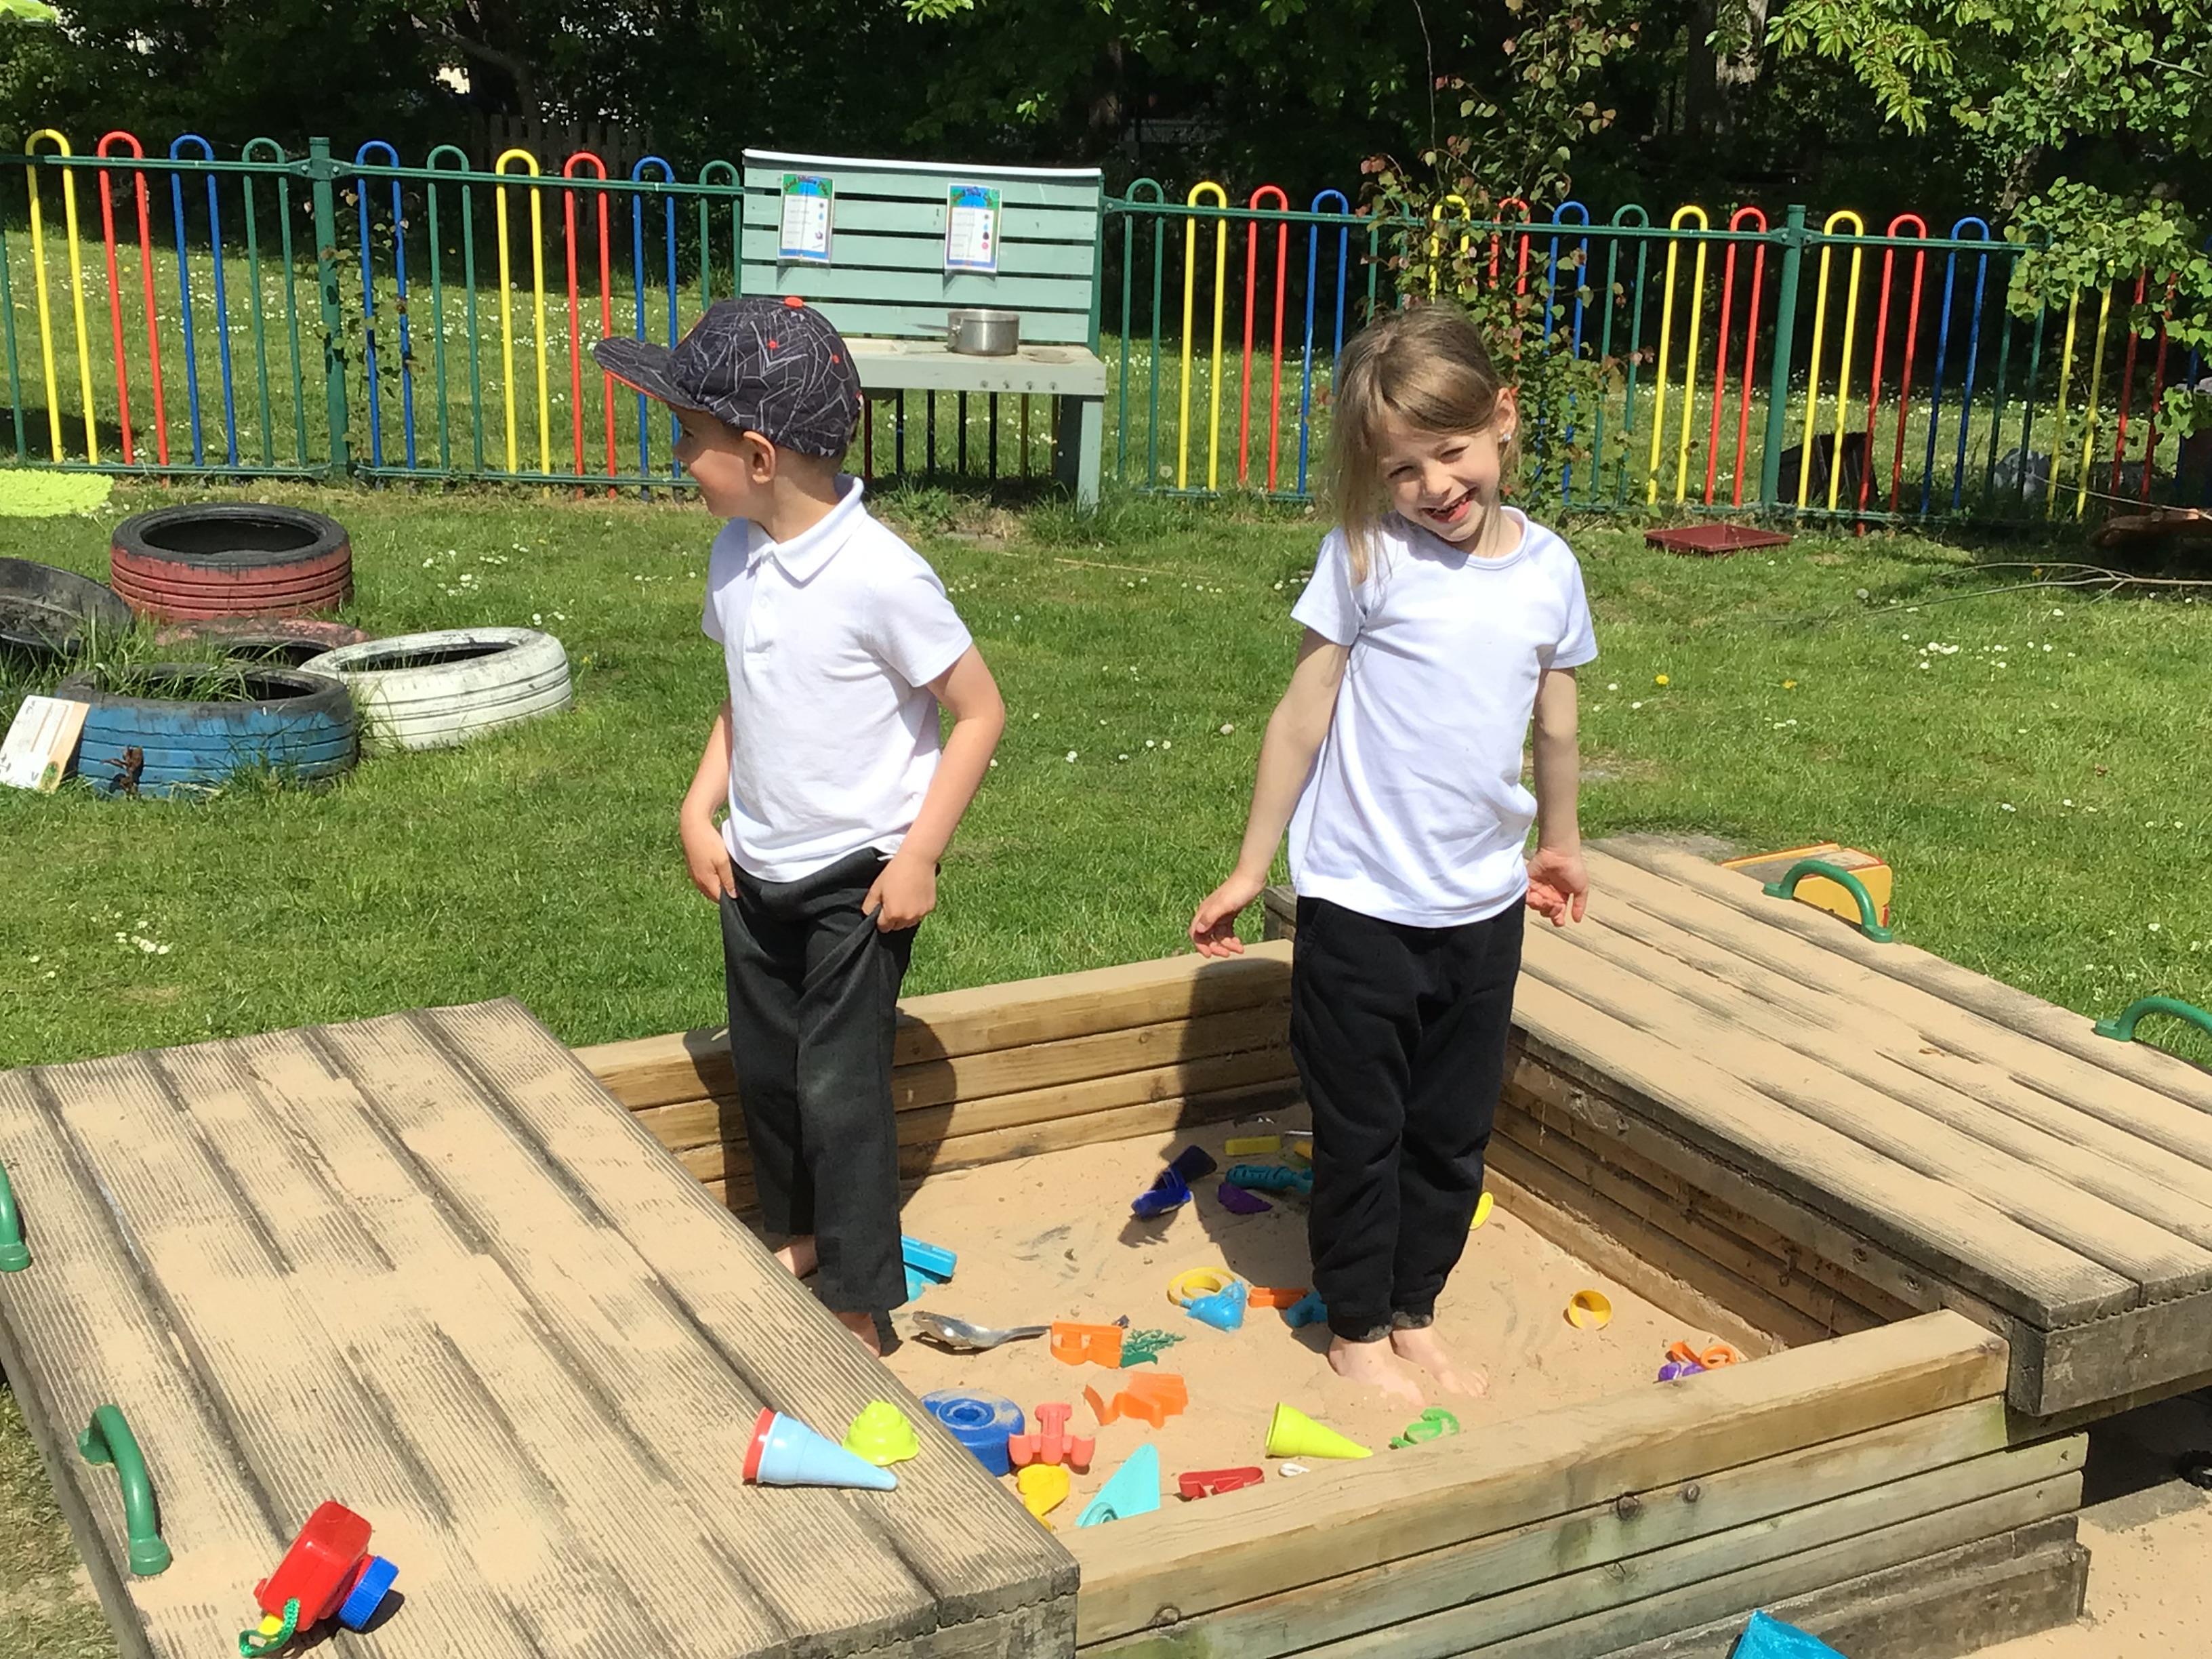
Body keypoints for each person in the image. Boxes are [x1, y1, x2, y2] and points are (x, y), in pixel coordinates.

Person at [1188, 302, 1595, 1404]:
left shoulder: (1549, 570)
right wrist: (1251, 866)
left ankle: (1416, 1304)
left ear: (1503, 418)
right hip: (1359, 901)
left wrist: (1559, 843)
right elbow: (1301, 715)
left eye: (1450, 453)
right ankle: (1358, 1324)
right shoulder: (1367, 556)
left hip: (1480, 905)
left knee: (1451, 1130)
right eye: (1402, 468)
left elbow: (1556, 722)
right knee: (1363, 1130)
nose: (1433, 486)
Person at [594, 298, 1005, 1353]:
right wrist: (699, 806)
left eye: (690, 434)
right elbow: (747, 694)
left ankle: (862, 1304)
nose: (678, 456)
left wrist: (920, 855)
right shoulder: (735, 555)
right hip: (758, 866)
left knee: (841, 1088)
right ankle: (803, 1235)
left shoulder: (882, 576)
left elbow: (978, 711)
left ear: (760, 455)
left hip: (861, 877)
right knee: (771, 1071)